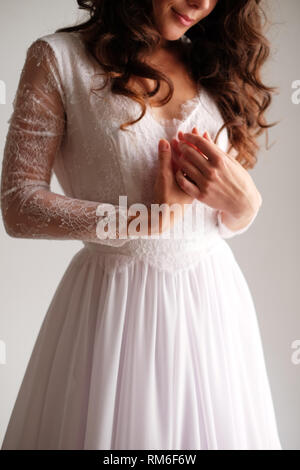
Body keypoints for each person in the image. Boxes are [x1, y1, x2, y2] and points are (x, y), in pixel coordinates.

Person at [0, 0, 282, 449]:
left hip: (213, 306)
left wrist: (246, 206)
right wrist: (142, 220)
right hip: (113, 307)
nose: (202, 3)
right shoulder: (57, 59)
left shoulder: (211, 63)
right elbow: (18, 205)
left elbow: (213, 220)